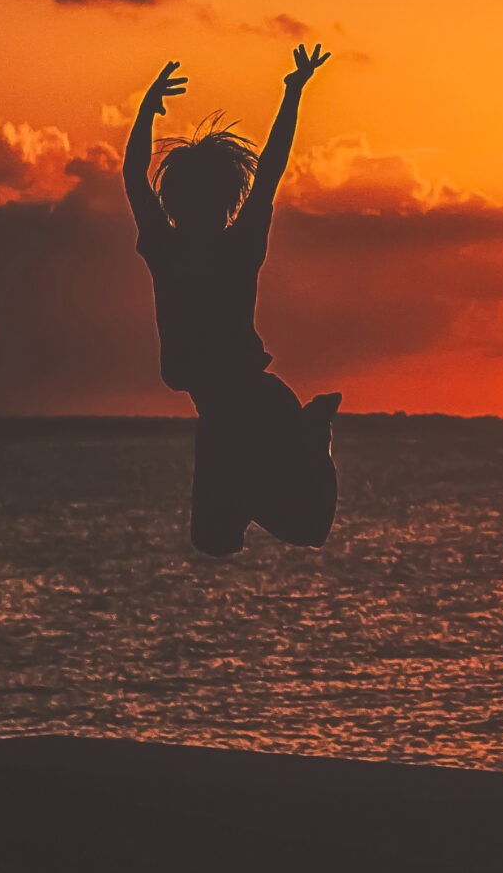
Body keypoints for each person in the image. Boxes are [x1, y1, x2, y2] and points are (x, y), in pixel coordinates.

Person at [122, 46, 341, 556]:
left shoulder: (194, 246)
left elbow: (267, 173)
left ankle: (313, 432)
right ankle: (262, 478)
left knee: (307, 530)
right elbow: (266, 172)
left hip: (253, 407)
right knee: (213, 542)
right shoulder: (179, 246)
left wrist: (293, 94)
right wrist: (291, 93)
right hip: (221, 413)